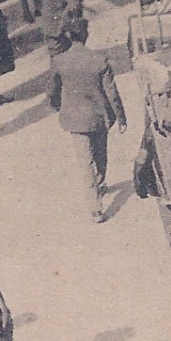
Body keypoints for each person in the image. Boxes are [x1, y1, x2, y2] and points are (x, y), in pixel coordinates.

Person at [49, 15, 127, 222]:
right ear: (85, 34)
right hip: (100, 115)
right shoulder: (99, 60)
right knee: (101, 152)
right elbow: (112, 93)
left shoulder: (59, 62)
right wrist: (121, 118)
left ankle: (95, 208)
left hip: (74, 118)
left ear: (67, 35)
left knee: (85, 162)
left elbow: (52, 92)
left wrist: (59, 106)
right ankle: (100, 184)